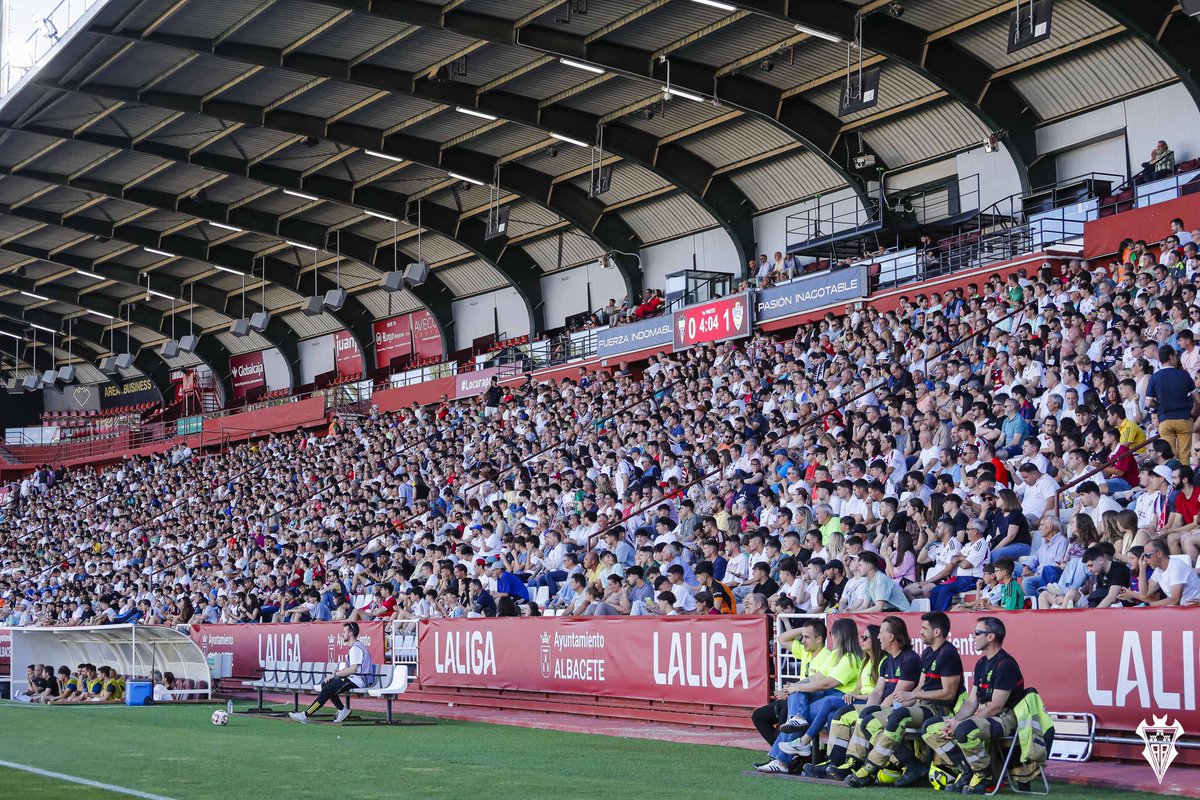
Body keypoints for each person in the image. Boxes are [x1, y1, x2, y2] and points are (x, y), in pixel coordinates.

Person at [844, 611, 964, 788]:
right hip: (922, 705)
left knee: (898, 716)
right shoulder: (928, 653)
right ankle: (911, 764)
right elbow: (921, 686)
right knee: (869, 720)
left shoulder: (948, 653)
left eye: (924, 628)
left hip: (938, 709)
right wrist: (907, 700)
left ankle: (870, 768)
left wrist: (913, 696)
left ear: (937, 632)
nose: (920, 632)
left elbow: (948, 694)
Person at [921, 617, 1026, 794]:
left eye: (977, 633)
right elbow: (971, 701)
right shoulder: (981, 663)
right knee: (930, 727)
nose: (973, 636)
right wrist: (955, 720)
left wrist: (962, 723)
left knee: (965, 730)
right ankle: (967, 770)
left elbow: (996, 706)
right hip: (984, 715)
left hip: (1005, 719)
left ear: (991, 637)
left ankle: (985, 774)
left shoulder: (1005, 664)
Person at [289, 621, 375, 724]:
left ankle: (305, 715)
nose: (342, 634)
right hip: (354, 678)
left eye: (344, 631)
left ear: (351, 633)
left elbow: (353, 669)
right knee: (325, 684)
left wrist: (335, 674)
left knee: (327, 689)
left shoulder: (356, 648)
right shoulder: (355, 647)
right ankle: (342, 710)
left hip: (358, 680)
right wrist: (336, 673)